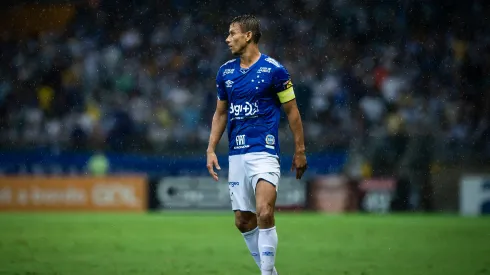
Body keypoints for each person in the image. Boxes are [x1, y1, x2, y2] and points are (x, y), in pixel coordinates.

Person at [206, 14, 307, 275]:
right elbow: (220, 113)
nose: (227, 39)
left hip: (265, 151)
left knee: (264, 212)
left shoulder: (275, 71)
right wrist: (210, 149)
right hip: (237, 154)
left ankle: (265, 274)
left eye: (232, 33)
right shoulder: (225, 72)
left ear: (248, 36)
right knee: (242, 221)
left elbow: (292, 111)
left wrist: (299, 150)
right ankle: (271, 272)